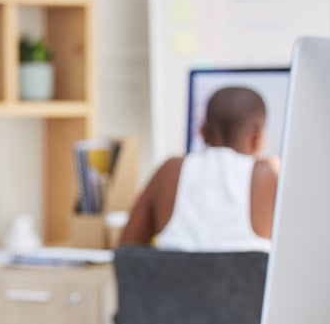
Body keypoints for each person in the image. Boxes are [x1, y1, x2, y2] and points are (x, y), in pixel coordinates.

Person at [119, 86, 279, 251]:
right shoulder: (265, 173)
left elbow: (127, 252)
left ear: (202, 132)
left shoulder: (169, 170)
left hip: (174, 276)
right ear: (257, 137)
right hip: (246, 277)